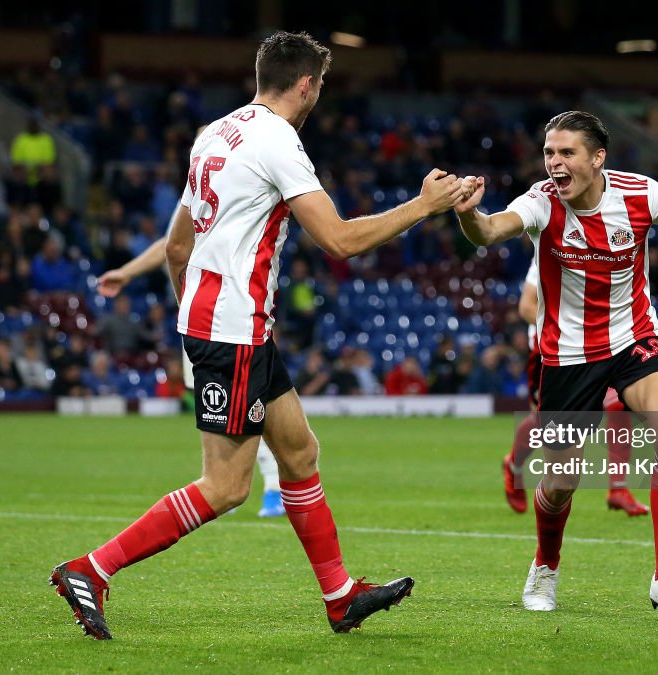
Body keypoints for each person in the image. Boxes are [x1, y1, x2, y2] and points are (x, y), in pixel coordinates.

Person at [50, 31, 467, 639]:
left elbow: (176, 245)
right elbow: (341, 241)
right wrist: (423, 206)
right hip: (233, 330)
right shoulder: (278, 141)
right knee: (226, 486)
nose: (319, 94)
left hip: (230, 324)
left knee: (299, 452)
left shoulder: (214, 134)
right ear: (306, 84)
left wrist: (192, 314)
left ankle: (339, 596)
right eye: (319, 85)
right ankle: (93, 568)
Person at [454, 111, 658, 622]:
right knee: (562, 481)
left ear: (597, 158)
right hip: (566, 355)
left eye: (566, 153)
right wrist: (467, 214)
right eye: (549, 153)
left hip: (635, 340)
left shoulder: (641, 194)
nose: (555, 163)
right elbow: (490, 231)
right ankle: (545, 563)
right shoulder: (542, 201)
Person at [95, 129, 287, 521]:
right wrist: (126, 274)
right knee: (237, 408)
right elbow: (171, 245)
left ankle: (263, 486)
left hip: (226, 318)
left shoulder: (236, 192)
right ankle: (228, 484)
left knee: (250, 406)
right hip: (206, 317)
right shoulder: (200, 193)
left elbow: (175, 249)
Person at [502, 262, 649, 516]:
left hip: (601, 347)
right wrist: (571, 326)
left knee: (617, 404)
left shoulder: (605, 246)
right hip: (554, 350)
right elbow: (526, 307)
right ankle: (513, 465)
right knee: (543, 423)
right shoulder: (550, 247)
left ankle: (618, 488)